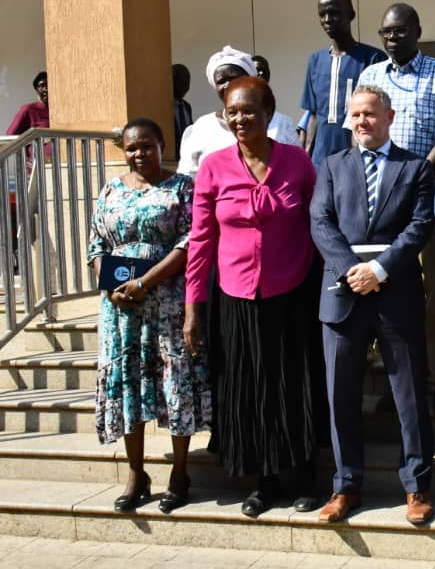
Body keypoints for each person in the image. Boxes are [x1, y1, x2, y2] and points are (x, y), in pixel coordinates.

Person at [183, 76, 322, 518]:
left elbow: (320, 226)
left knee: (293, 385)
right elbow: (201, 240)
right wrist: (193, 307)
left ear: (268, 113)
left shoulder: (298, 162)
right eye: (232, 111)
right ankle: (264, 480)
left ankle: (304, 474)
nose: (240, 118)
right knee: (251, 389)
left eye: (249, 110)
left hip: (293, 292)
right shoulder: (213, 167)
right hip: (235, 296)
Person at [309, 87, 435, 526]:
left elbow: (421, 225)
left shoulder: (415, 167)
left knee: (408, 394)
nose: (361, 121)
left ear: (389, 115)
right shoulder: (330, 166)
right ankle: (345, 485)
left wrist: (379, 270)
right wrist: (351, 269)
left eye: (369, 114)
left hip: (395, 290)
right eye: (355, 115)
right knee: (340, 393)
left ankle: (416, 485)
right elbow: (320, 222)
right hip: (342, 294)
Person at [87, 117, 211, 515]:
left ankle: (179, 472)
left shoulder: (181, 188)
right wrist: (110, 287)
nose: (139, 153)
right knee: (129, 386)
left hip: (167, 303)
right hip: (121, 309)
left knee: (173, 383)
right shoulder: (111, 189)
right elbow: (97, 243)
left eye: (147, 145)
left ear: (162, 145)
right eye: (131, 148)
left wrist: (145, 282)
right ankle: (136, 473)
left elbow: (189, 243)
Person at [358, 2, 435, 416]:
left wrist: (419, 171)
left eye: (399, 31)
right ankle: (399, 381)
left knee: (434, 291)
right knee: (389, 294)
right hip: (382, 199)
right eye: (385, 32)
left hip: (428, 195)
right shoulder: (370, 75)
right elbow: (361, 129)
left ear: (417, 31)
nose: (391, 38)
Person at [177, 46, 300, 177]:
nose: (228, 85)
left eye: (234, 78)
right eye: (221, 81)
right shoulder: (202, 127)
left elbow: (298, 168)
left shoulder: (281, 123)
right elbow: (187, 177)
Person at [300, 0, 387, 166]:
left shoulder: (373, 59)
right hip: (321, 160)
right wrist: (306, 157)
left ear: (351, 14)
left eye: (334, 13)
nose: (327, 20)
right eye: (322, 14)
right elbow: (313, 115)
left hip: (360, 158)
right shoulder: (316, 61)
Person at [173, 64, 194, 149]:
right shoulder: (164, 107)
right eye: (181, 81)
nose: (185, 85)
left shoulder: (187, 106)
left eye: (187, 81)